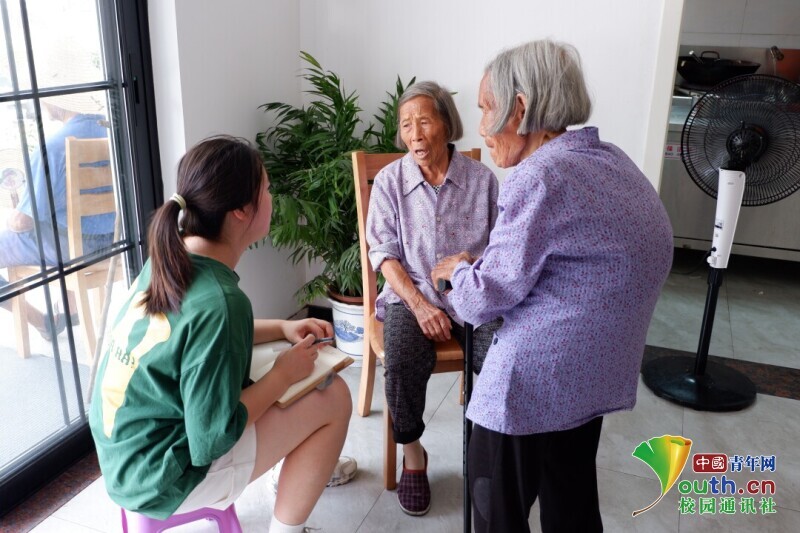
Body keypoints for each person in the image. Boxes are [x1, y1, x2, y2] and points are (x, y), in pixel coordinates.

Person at [431, 40, 674, 532]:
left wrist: (456, 272)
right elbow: (587, 256)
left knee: (494, 505)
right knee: (571, 501)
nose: (482, 127)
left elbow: (480, 300)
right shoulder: (611, 160)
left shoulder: (539, 176)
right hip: (592, 374)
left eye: (487, 108)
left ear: (520, 109)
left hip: (532, 382)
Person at [89, 136, 352, 533]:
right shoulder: (221, 302)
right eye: (267, 189)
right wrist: (283, 375)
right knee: (333, 397)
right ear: (241, 211)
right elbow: (211, 439)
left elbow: (190, 338)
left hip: (127, 458)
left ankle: (297, 465)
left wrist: (281, 328)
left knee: (273, 373)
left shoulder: (170, 256)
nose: (272, 198)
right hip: (166, 480)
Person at [366, 81, 502, 516]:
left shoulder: (482, 180)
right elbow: (383, 255)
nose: (415, 134)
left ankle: (489, 458)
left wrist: (469, 262)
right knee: (402, 357)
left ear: (446, 123)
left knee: (505, 358)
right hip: (412, 293)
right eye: (406, 125)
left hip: (472, 293)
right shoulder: (390, 182)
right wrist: (421, 305)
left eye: (424, 121)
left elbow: (502, 249)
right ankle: (413, 456)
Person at [0, 52, 113, 341]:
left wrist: (12, 217)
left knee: (26, 228)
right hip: (111, 241)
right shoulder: (111, 130)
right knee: (55, 219)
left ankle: (41, 321)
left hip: (72, 247)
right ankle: (70, 310)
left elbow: (24, 222)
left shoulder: (53, 147)